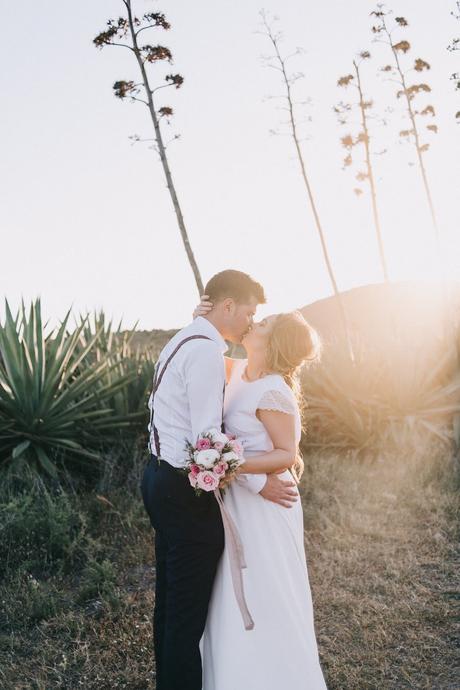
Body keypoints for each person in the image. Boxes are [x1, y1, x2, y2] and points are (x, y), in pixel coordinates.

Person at [140, 270, 299, 690]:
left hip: (158, 478)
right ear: (228, 307)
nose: (251, 321)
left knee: (171, 605)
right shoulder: (207, 352)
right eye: (249, 312)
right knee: (185, 617)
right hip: (183, 491)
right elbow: (206, 442)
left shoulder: (186, 339)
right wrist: (257, 483)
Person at [194, 298, 328, 690]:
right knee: (229, 592)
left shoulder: (273, 391)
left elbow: (287, 453)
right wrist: (201, 319)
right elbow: (207, 352)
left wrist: (228, 465)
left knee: (265, 591)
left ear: (275, 343)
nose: (254, 323)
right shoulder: (236, 371)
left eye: (264, 323)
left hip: (267, 506)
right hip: (241, 498)